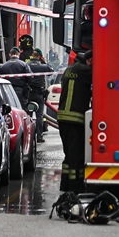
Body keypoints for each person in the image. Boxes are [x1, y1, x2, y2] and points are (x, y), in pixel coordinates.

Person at [58, 50, 93, 192]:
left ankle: (65, 184)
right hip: (75, 119)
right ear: (90, 60)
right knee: (76, 155)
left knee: (68, 154)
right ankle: (75, 187)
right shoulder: (85, 70)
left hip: (62, 118)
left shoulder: (70, 69)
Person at [27, 48, 54, 142]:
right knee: (39, 115)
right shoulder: (43, 66)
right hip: (39, 94)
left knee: (28, 116)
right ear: (40, 56)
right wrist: (45, 62)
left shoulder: (26, 65)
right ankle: (39, 136)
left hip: (28, 94)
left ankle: (28, 137)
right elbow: (51, 71)